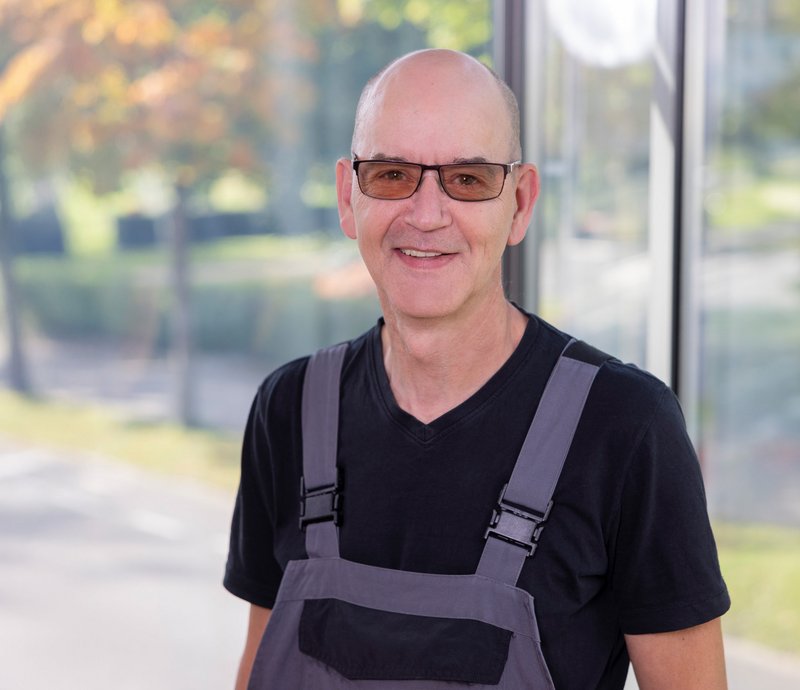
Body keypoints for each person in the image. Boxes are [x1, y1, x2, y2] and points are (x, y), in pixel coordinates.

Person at [224, 49, 730, 689]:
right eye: (391, 174)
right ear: (348, 197)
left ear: (520, 203)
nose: (427, 214)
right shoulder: (290, 410)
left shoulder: (625, 427)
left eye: (467, 179)